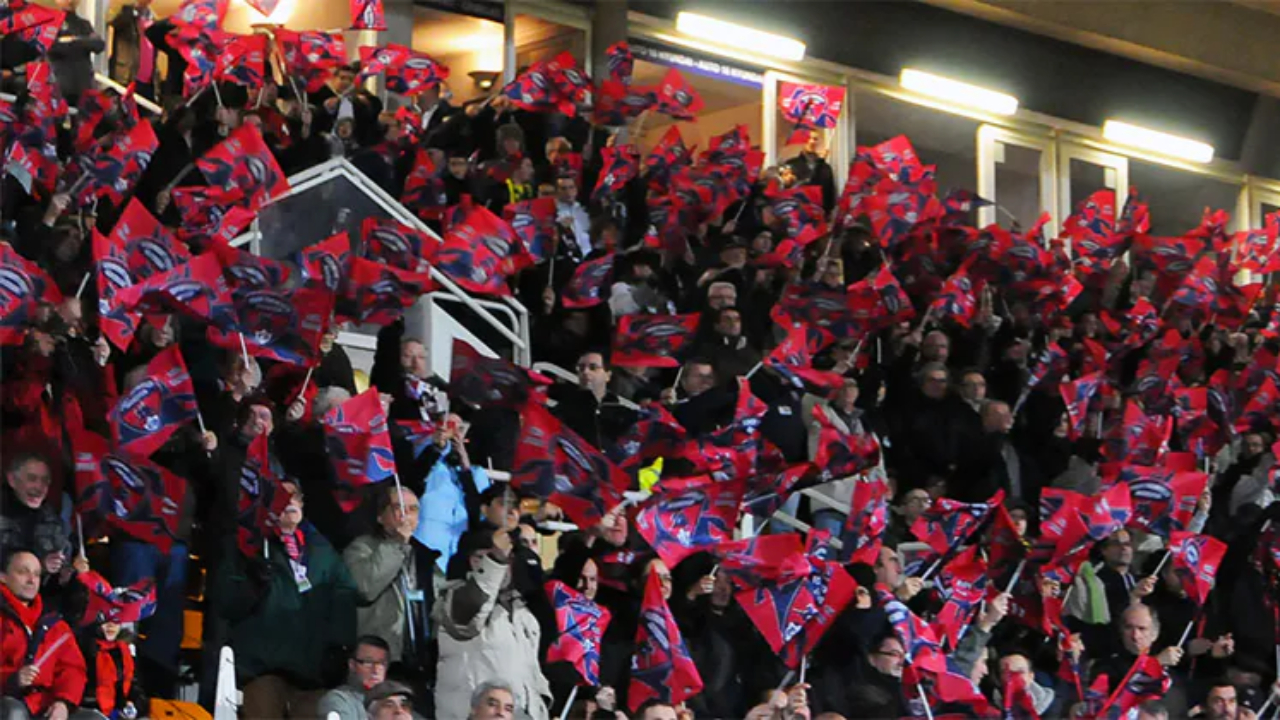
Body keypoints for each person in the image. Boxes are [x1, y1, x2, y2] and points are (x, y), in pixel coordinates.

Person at [211, 485, 358, 719]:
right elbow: (225, 603)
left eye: (296, 496)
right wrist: (252, 584)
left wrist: (339, 647)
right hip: (262, 670)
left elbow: (345, 598)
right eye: (282, 496)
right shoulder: (247, 546)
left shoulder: (322, 549)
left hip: (312, 674)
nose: (290, 502)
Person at [434, 529, 550, 720]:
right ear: (470, 561)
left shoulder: (524, 614)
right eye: (485, 557)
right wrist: (495, 560)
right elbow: (471, 612)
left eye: (508, 559)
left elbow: (532, 678)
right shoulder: (453, 599)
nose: (503, 565)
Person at [344, 486, 439, 696]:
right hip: (378, 663)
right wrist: (397, 544)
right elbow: (365, 588)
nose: (406, 515)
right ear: (380, 516)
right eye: (398, 508)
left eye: (413, 509)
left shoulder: (425, 557)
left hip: (418, 665)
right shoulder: (361, 548)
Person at [0, 549, 90, 720]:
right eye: (22, 572)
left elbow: (73, 669)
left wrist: (63, 702)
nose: (31, 580)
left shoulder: (54, 623)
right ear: (3, 576)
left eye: (37, 574)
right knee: (13, 713)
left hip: (44, 704)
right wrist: (11, 679)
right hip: (9, 702)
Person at [0, 455, 71, 584]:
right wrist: (40, 566)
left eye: (45, 481)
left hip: (41, 597)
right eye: (32, 479)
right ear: (12, 480)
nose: (39, 487)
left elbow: (63, 554)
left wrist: (63, 571)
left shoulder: (49, 516)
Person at [317, 636, 391, 720]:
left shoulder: (396, 701)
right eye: (368, 662)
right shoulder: (338, 700)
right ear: (352, 665)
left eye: (381, 663)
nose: (376, 670)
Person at [47, 0, 105, 105]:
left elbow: (98, 45)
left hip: (83, 87)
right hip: (60, 86)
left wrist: (73, 40)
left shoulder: (84, 24)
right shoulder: (50, 23)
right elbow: (51, 46)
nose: (70, 1)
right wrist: (81, 42)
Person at [106, 0, 156, 94]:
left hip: (147, 81)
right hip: (126, 77)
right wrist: (134, 10)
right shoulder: (126, 13)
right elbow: (112, 21)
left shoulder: (153, 19)